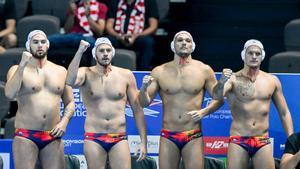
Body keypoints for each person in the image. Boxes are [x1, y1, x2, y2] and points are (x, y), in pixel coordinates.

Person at [139, 31, 223, 169]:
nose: (184, 43)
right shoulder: (159, 71)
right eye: (180, 40)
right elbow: (144, 103)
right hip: (168, 135)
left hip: (193, 135)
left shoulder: (204, 70)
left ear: (193, 46)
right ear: (173, 45)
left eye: (188, 40)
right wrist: (143, 89)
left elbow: (219, 99)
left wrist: (204, 112)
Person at [66, 37, 147, 169]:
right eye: (101, 50)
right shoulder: (85, 72)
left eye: (108, 50)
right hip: (94, 137)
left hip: (119, 137)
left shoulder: (125, 75)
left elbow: (137, 110)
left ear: (112, 53)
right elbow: (69, 80)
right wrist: (80, 51)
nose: (105, 53)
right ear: (94, 54)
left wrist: (144, 142)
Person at [213, 39, 294, 169]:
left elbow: (284, 113)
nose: (254, 56)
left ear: (262, 56)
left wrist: (292, 140)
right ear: (243, 55)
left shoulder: (272, 80)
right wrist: (221, 82)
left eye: (257, 53)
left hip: (262, 140)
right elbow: (216, 96)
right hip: (239, 139)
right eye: (250, 53)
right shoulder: (233, 79)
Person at [4, 30, 75, 169]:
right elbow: (10, 94)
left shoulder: (61, 71)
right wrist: (22, 65)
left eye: (43, 42)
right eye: (35, 42)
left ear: (47, 45)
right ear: (28, 46)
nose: (40, 45)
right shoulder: (16, 69)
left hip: (52, 135)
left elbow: (70, 102)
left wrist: (64, 122)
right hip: (26, 134)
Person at [48, 0, 108, 65]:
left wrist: (88, 16)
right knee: (47, 41)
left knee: (95, 46)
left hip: (88, 37)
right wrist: (72, 14)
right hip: (72, 36)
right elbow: (67, 30)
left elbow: (100, 31)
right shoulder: (74, 5)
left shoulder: (101, 6)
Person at [106, 0, 159, 70]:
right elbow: (109, 26)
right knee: (106, 41)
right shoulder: (115, 2)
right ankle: (106, 71)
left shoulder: (149, 2)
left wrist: (135, 36)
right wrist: (119, 36)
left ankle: (142, 73)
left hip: (139, 37)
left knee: (148, 42)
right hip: (119, 37)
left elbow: (153, 26)